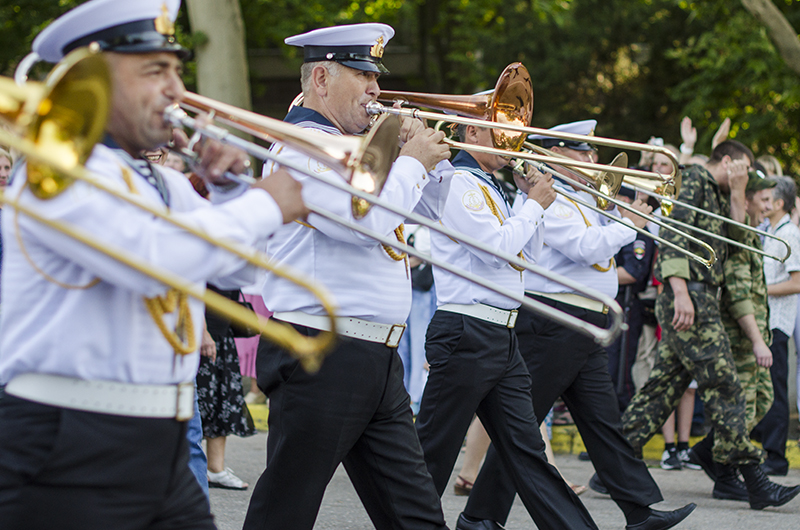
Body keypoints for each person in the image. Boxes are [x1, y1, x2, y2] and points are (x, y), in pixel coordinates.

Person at [0, 0, 307, 528]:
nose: (176, 90)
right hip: (66, 440)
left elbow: (239, 274)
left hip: (158, 432)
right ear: (91, 80)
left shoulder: (159, 179)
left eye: (177, 70)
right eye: (155, 71)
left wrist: (234, 192)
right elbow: (151, 262)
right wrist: (266, 203)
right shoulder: (57, 171)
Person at [242, 23, 454, 530]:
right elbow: (365, 223)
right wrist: (409, 164)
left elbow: (437, 209)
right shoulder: (302, 147)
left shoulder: (359, 148)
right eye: (362, 75)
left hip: (375, 356)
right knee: (285, 511)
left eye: (375, 76)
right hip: (322, 349)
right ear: (321, 78)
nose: (376, 89)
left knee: (417, 513)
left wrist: (427, 158)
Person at [461, 120, 694, 530]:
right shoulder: (548, 200)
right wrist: (630, 222)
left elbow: (613, 241)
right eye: (583, 153)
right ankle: (480, 515)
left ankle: (640, 510)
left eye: (591, 152)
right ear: (555, 155)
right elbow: (589, 248)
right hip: (555, 319)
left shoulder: (581, 199)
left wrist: (634, 213)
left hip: (583, 322)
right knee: (521, 427)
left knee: (604, 422)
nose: (593, 160)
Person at [416, 118, 603, 530]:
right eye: (500, 133)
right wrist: (534, 204)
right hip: (467, 329)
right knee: (433, 450)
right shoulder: (460, 181)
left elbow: (526, 256)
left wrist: (530, 202)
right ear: (472, 134)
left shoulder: (490, 184)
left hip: (500, 331)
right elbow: (495, 250)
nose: (512, 143)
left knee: (528, 451)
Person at [621, 140, 800, 511]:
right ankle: (755, 481)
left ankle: (612, 461)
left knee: (663, 388)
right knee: (726, 384)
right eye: (745, 168)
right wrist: (680, 292)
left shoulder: (721, 192)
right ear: (730, 161)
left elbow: (735, 242)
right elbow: (673, 234)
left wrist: (737, 193)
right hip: (690, 294)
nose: (748, 176)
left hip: (702, 294)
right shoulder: (697, 179)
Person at [687, 170, 777, 501]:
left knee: (762, 400)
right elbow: (739, 295)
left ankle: (709, 452)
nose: (770, 206)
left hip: (753, 333)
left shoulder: (751, 233)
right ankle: (726, 473)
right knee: (740, 407)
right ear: (747, 199)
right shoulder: (739, 235)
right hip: (740, 337)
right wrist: (757, 341)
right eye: (764, 199)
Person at [751, 175, 800, 476]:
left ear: (780, 203)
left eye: (768, 199)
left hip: (777, 322)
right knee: (764, 388)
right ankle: (765, 447)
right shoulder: (769, 231)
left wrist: (759, 290)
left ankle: (776, 456)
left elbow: (796, 282)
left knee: (775, 389)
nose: (763, 203)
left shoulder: (789, 234)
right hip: (764, 320)